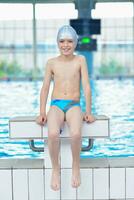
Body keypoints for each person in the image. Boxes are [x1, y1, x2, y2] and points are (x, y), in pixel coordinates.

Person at [36, 25, 95, 191]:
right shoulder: (51, 63)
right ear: (57, 42)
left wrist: (88, 112)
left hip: (73, 104)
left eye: (70, 41)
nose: (66, 45)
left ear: (75, 43)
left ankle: (76, 166)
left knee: (76, 133)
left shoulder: (80, 60)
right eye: (62, 41)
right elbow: (45, 88)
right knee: (53, 133)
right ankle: (56, 168)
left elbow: (87, 86)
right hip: (56, 104)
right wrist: (42, 112)